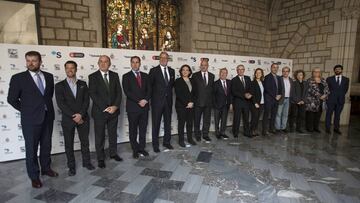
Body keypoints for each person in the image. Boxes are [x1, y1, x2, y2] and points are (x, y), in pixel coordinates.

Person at [7, 51, 58, 188]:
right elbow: (11, 99)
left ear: (40, 62)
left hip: (47, 117)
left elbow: (48, 96)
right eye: (28, 60)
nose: (30, 63)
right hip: (30, 120)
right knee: (31, 148)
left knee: (46, 145)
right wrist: (27, 111)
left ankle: (46, 169)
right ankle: (34, 176)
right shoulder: (18, 78)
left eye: (34, 60)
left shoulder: (49, 76)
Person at [55, 61, 95, 176]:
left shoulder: (83, 84)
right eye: (67, 68)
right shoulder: (59, 86)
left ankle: (86, 162)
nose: (70, 70)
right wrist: (74, 116)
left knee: (85, 142)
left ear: (76, 69)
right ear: (65, 69)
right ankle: (71, 166)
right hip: (68, 120)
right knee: (69, 144)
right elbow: (61, 104)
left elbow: (86, 101)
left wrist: (80, 115)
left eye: (72, 68)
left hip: (83, 118)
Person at [88, 55, 123, 168]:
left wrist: (115, 106)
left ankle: (113, 153)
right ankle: (101, 158)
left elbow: (119, 92)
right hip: (100, 112)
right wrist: (106, 107)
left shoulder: (115, 75)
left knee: (113, 134)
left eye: (106, 61)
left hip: (114, 111)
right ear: (98, 63)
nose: (103, 64)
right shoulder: (92, 77)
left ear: (110, 64)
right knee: (100, 136)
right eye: (101, 62)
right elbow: (93, 94)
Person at [122, 56, 151, 159]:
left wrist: (145, 100)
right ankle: (135, 149)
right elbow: (127, 91)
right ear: (130, 63)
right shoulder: (126, 76)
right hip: (133, 108)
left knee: (143, 129)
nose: (135, 64)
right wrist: (139, 101)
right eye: (133, 62)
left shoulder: (146, 76)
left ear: (140, 63)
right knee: (133, 130)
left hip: (144, 108)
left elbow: (149, 90)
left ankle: (142, 148)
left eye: (137, 62)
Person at [149, 51, 175, 152]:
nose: (164, 59)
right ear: (159, 59)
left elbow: (170, 86)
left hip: (168, 102)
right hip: (157, 103)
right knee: (156, 124)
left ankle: (166, 142)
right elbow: (150, 87)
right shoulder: (153, 71)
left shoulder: (172, 71)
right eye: (162, 58)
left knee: (168, 123)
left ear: (168, 59)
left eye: (166, 58)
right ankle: (155, 145)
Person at [192, 58, 215, 142]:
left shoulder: (212, 76)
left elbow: (211, 90)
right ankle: (197, 135)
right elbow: (193, 90)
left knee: (207, 120)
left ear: (208, 66)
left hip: (208, 103)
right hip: (198, 102)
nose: (203, 66)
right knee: (197, 120)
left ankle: (205, 134)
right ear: (200, 66)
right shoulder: (195, 75)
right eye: (202, 65)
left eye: (205, 65)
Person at [174, 64, 197, 147]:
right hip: (181, 106)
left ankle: (190, 139)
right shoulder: (178, 81)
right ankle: (181, 140)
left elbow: (195, 93)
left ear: (189, 72)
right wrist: (187, 103)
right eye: (183, 70)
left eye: (187, 70)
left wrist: (192, 102)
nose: (185, 71)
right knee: (181, 123)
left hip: (191, 106)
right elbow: (178, 94)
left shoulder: (192, 80)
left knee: (190, 123)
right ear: (181, 71)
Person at [325, 65, 349, 134]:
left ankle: (336, 128)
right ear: (334, 70)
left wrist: (340, 95)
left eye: (339, 69)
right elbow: (327, 89)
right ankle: (327, 128)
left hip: (340, 100)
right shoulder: (329, 79)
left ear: (342, 70)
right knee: (329, 114)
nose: (337, 70)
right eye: (336, 69)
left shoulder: (346, 79)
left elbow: (345, 89)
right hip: (331, 100)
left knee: (337, 115)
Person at [305, 67, 329, 133]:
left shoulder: (323, 80)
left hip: (321, 101)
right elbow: (310, 90)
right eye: (315, 72)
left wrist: (325, 95)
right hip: (311, 101)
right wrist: (320, 96)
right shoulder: (309, 80)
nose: (316, 73)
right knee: (310, 115)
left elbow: (327, 89)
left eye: (318, 72)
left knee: (318, 115)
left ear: (320, 73)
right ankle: (309, 128)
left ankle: (316, 127)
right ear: (312, 73)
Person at [231, 64, 252, 138]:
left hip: (246, 102)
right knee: (237, 118)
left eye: (242, 69)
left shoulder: (248, 78)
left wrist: (250, 94)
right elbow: (234, 91)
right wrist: (244, 95)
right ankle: (235, 132)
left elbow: (250, 88)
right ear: (237, 71)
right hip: (238, 102)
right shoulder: (234, 80)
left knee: (246, 118)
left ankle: (247, 132)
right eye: (239, 69)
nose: (240, 71)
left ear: (244, 70)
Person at [262, 63, 283, 136]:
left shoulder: (279, 77)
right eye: (274, 67)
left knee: (274, 115)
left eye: (277, 67)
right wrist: (275, 96)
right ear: (271, 68)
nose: (275, 69)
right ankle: (264, 131)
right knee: (266, 115)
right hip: (269, 99)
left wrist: (280, 95)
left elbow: (280, 88)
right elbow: (267, 88)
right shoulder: (267, 77)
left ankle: (272, 128)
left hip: (276, 100)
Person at [213, 68, 232, 140]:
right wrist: (215, 105)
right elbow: (213, 95)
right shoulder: (215, 83)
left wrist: (230, 103)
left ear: (227, 74)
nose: (223, 74)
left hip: (226, 105)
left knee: (224, 120)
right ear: (219, 73)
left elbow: (231, 94)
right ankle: (217, 133)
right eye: (222, 72)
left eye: (225, 73)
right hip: (217, 106)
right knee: (217, 120)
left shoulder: (230, 82)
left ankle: (222, 132)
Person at [275, 66, 293, 133]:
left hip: (288, 99)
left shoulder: (291, 80)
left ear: (289, 72)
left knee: (285, 114)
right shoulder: (279, 79)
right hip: (281, 99)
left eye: (287, 71)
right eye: (284, 71)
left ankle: (283, 127)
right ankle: (277, 128)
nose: (285, 72)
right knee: (278, 114)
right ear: (282, 72)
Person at [250, 68, 265, 136]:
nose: (258, 74)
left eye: (259, 73)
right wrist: (255, 103)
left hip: (262, 103)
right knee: (254, 117)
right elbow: (252, 94)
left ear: (261, 74)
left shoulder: (263, 82)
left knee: (258, 117)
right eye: (257, 73)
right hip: (255, 103)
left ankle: (255, 130)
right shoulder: (253, 83)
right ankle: (252, 131)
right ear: (255, 74)